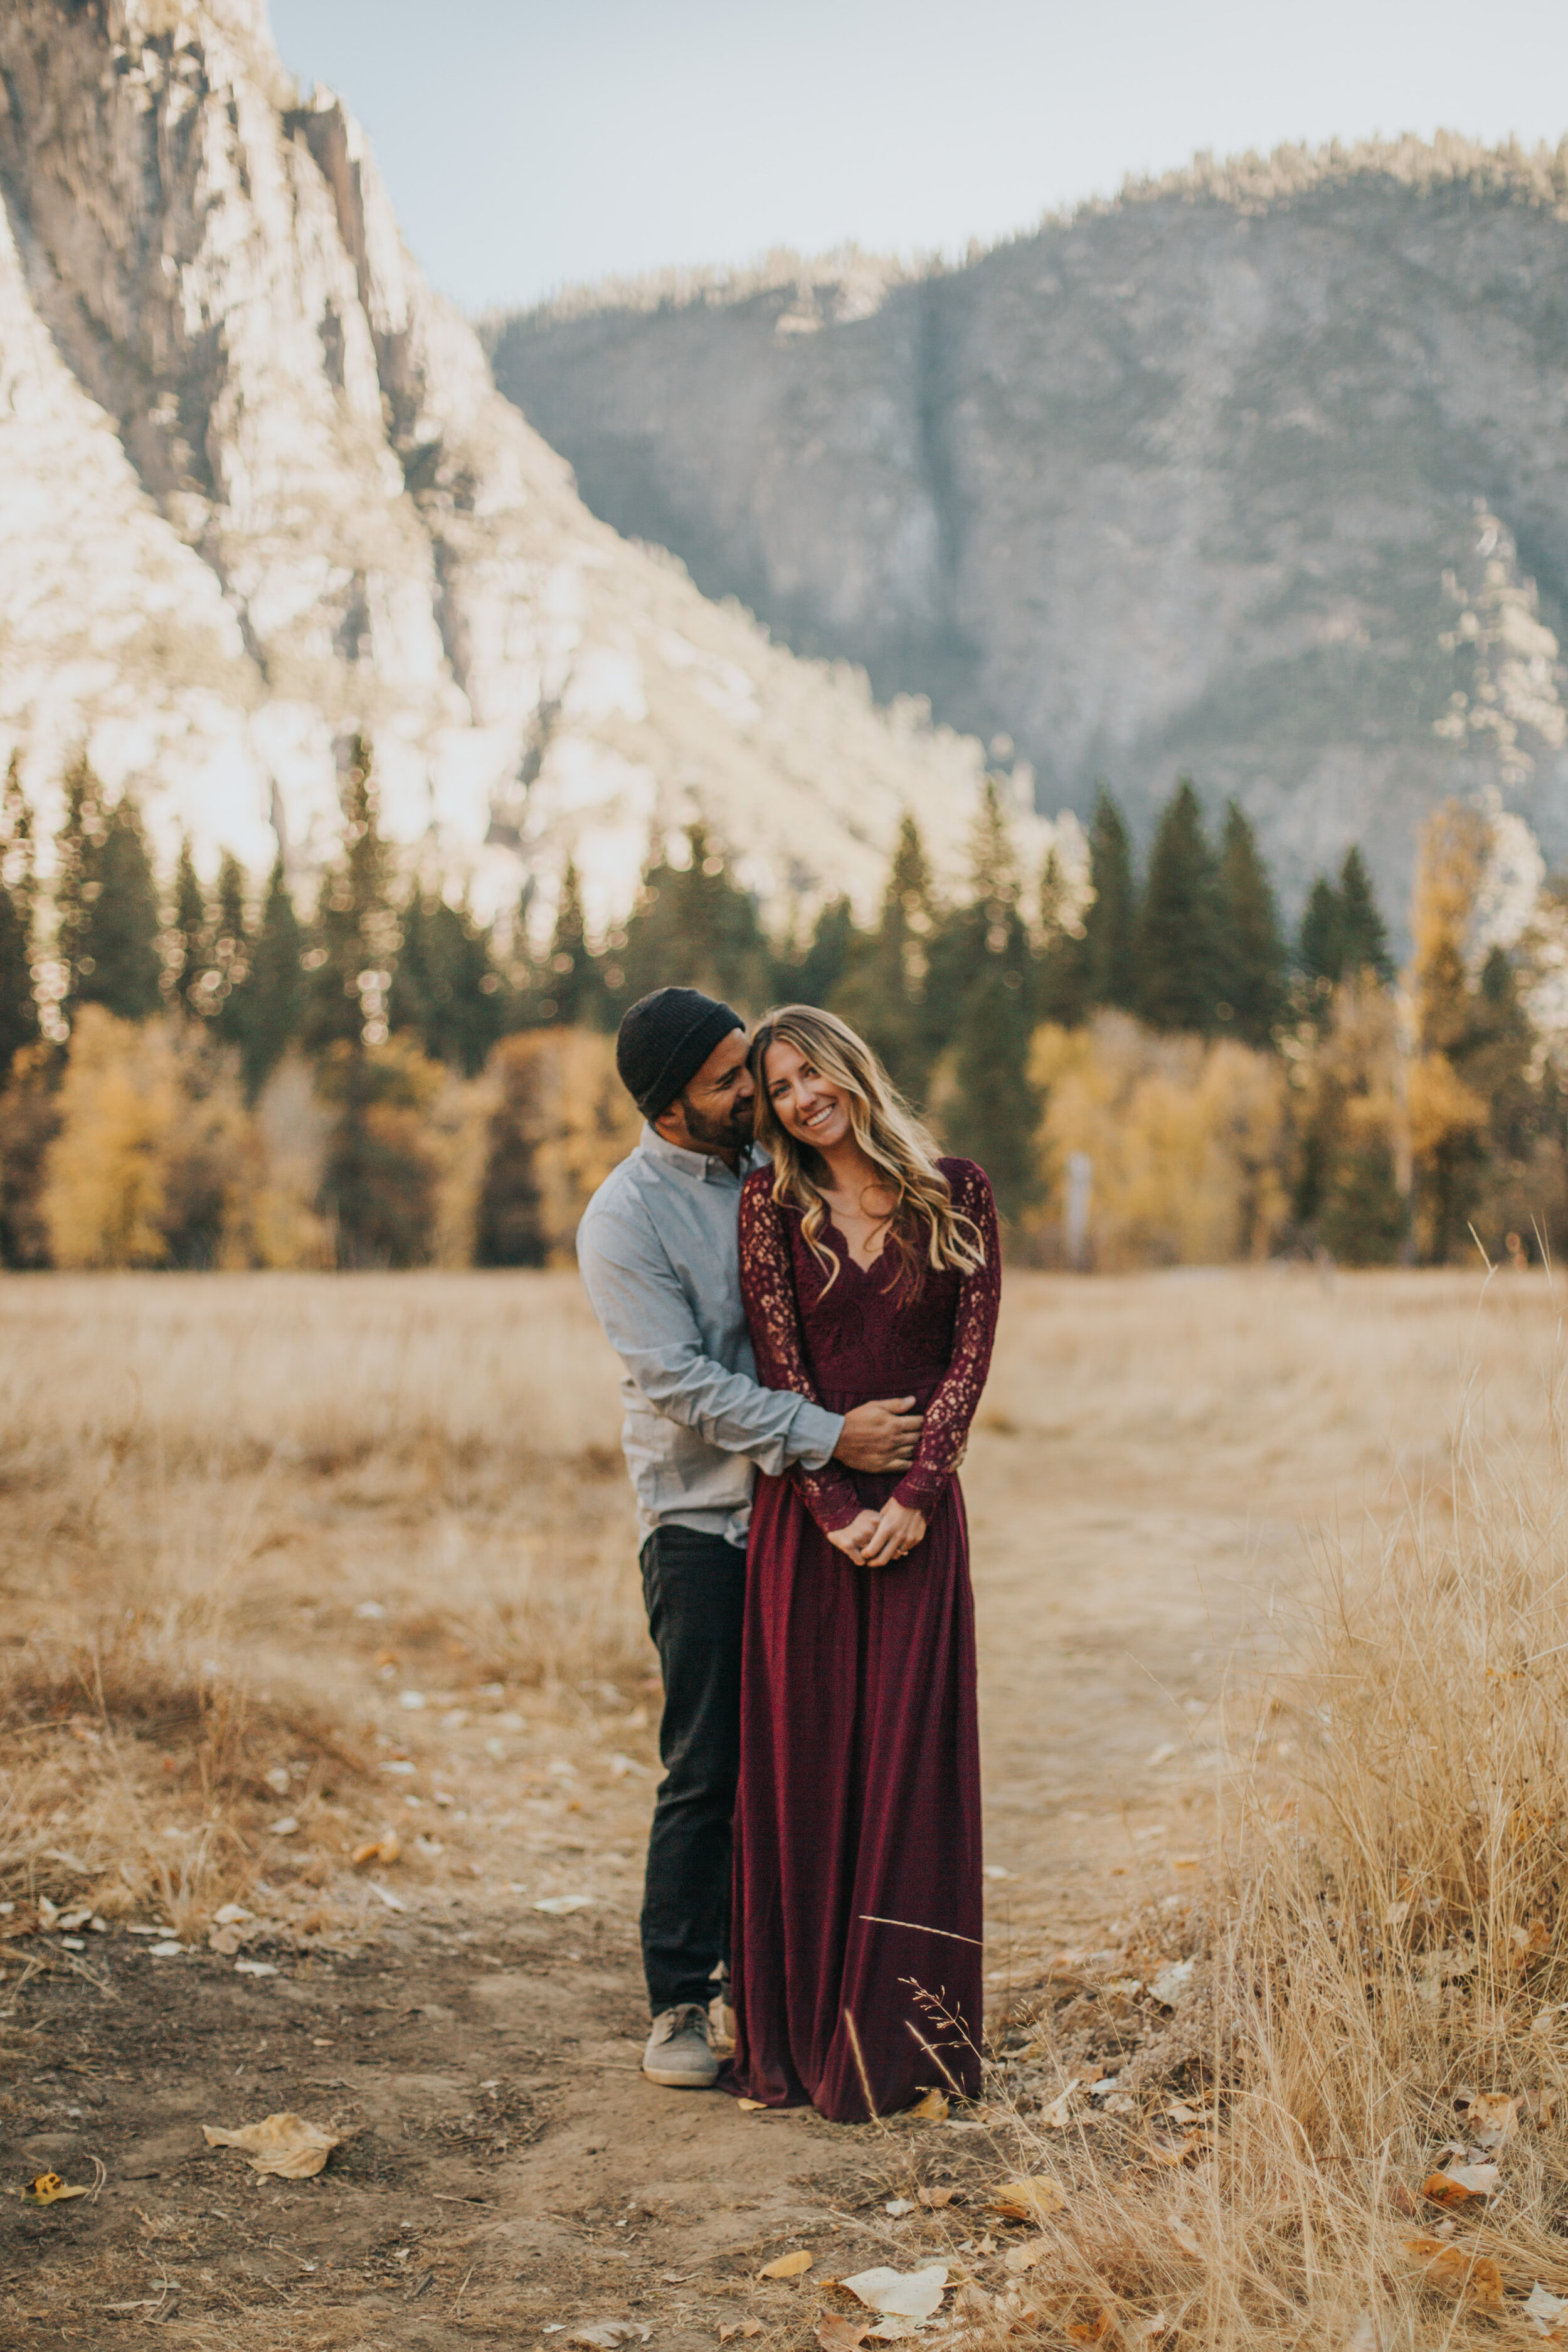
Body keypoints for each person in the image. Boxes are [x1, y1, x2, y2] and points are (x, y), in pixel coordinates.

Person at [576, 987, 928, 2092]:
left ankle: (784, 1983)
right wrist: (832, 1438)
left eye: (753, 1071)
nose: (754, 1091)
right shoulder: (625, 1218)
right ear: (670, 1102)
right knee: (708, 1763)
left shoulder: (774, 1174)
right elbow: (680, 1382)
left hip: (812, 1520)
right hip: (704, 1521)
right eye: (732, 1079)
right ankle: (681, 1997)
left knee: (806, 1759)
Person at [728, 1004, 1000, 2122]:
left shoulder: (959, 1189)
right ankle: (801, 2040)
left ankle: (902, 2051)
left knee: (911, 1774)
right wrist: (840, 1506)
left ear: (851, 1066)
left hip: (923, 1527)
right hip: (811, 1529)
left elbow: (970, 1354)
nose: (800, 1098)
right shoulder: (769, 1206)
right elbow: (781, 1370)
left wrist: (920, 1494)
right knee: (810, 1772)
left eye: (810, 1072)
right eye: (778, 1087)